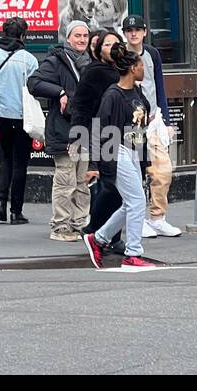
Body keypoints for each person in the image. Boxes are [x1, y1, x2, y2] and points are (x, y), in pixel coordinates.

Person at [82, 43, 156, 270]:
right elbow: (100, 130)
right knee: (136, 202)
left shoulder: (137, 93)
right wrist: (97, 163)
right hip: (118, 151)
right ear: (133, 68)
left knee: (131, 203)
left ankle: (99, 238)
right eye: (141, 65)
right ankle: (132, 254)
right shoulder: (112, 96)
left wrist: (145, 163)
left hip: (132, 151)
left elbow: (139, 132)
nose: (144, 69)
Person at [0, 17, 42, 225]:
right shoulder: (28, 60)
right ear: (23, 35)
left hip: (0, 117)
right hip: (22, 118)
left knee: (6, 157)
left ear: (3, 33)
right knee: (20, 162)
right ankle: (16, 211)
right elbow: (34, 89)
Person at [28, 20, 90, 242]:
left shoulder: (89, 61)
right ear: (68, 38)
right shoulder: (56, 60)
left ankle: (80, 223)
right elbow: (33, 83)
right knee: (66, 181)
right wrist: (60, 92)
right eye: (77, 36)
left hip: (84, 131)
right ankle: (60, 226)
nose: (82, 40)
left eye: (85, 36)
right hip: (63, 132)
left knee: (82, 181)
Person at [121, 15, 181, 238]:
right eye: (129, 30)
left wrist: (165, 120)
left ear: (145, 32)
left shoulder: (152, 53)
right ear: (124, 33)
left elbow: (159, 85)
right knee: (135, 173)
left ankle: (157, 217)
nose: (134, 33)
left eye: (138, 29)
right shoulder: (121, 55)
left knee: (162, 170)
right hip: (131, 122)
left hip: (153, 119)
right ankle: (137, 219)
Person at [75, 30, 123, 254]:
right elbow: (82, 105)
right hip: (102, 132)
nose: (112, 48)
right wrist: (78, 136)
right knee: (109, 186)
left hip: (126, 133)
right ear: (98, 50)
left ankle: (111, 236)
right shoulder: (94, 71)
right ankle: (96, 230)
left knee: (123, 190)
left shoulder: (126, 69)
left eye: (116, 44)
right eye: (107, 45)